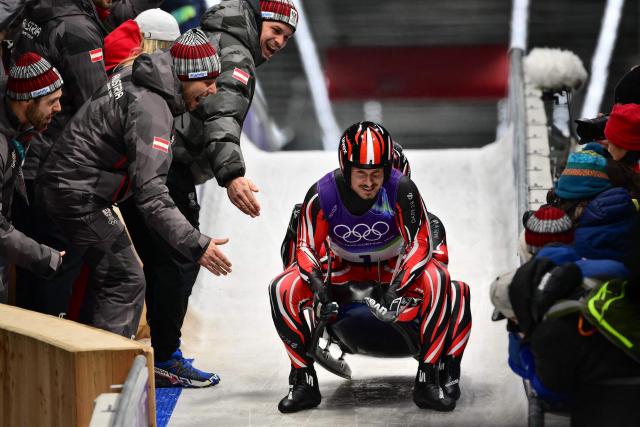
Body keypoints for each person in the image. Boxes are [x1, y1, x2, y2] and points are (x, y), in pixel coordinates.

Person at [36, 30, 231, 346]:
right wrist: (196, 243)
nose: (213, 89)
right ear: (185, 75)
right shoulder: (152, 108)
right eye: (207, 81)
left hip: (69, 185)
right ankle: (109, 374)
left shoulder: (140, 72)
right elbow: (152, 193)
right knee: (124, 278)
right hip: (76, 194)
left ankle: (100, 361)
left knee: (104, 275)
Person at [269, 121, 472, 413]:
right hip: (340, 280)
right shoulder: (320, 195)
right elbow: (301, 250)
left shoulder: (410, 200)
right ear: (346, 168)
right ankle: (302, 379)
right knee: (280, 287)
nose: (369, 183)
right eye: (361, 174)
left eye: (378, 174)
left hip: (395, 287)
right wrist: (317, 289)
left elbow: (429, 254)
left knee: (447, 284)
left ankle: (435, 375)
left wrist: (397, 292)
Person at [0, 52, 64, 303]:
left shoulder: (14, 122)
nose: (58, 108)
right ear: (27, 101)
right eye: (52, 101)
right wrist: (44, 257)